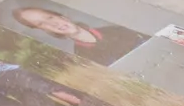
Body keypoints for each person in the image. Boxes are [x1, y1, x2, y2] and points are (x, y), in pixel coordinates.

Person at [10, 5, 149, 67]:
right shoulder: (84, 58)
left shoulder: (115, 28)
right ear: (43, 31)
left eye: (50, 17)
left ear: (62, 16)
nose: (53, 24)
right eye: (42, 24)